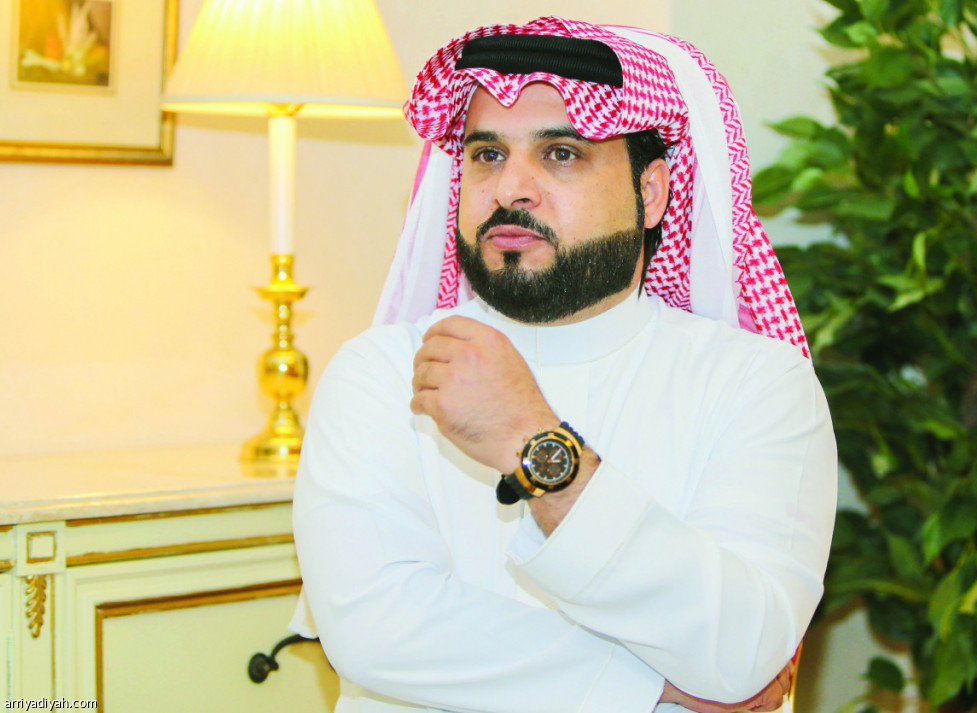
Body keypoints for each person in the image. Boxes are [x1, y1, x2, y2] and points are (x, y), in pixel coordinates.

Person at [291, 16, 837, 713]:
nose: (510, 188)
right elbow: (376, 630)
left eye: (561, 154)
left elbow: (741, 649)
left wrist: (535, 444)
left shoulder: (758, 383)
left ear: (652, 192)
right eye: (487, 155)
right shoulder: (382, 371)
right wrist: (652, 685)